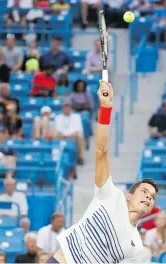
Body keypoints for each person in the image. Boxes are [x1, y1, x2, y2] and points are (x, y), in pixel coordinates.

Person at [47, 80, 158, 264]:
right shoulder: (110, 195)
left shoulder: (136, 246)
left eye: (152, 197)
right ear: (129, 195)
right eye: (144, 192)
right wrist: (106, 108)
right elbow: (101, 151)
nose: (148, 198)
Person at [54, 99, 85, 165]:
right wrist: (63, 135)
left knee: (80, 136)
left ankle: (80, 157)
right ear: (62, 108)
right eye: (65, 107)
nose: (67, 109)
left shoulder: (76, 116)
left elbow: (78, 129)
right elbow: (58, 130)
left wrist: (70, 135)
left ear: (71, 108)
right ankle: (56, 157)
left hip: (73, 136)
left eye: (68, 107)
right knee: (54, 135)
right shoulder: (58, 117)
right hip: (61, 136)